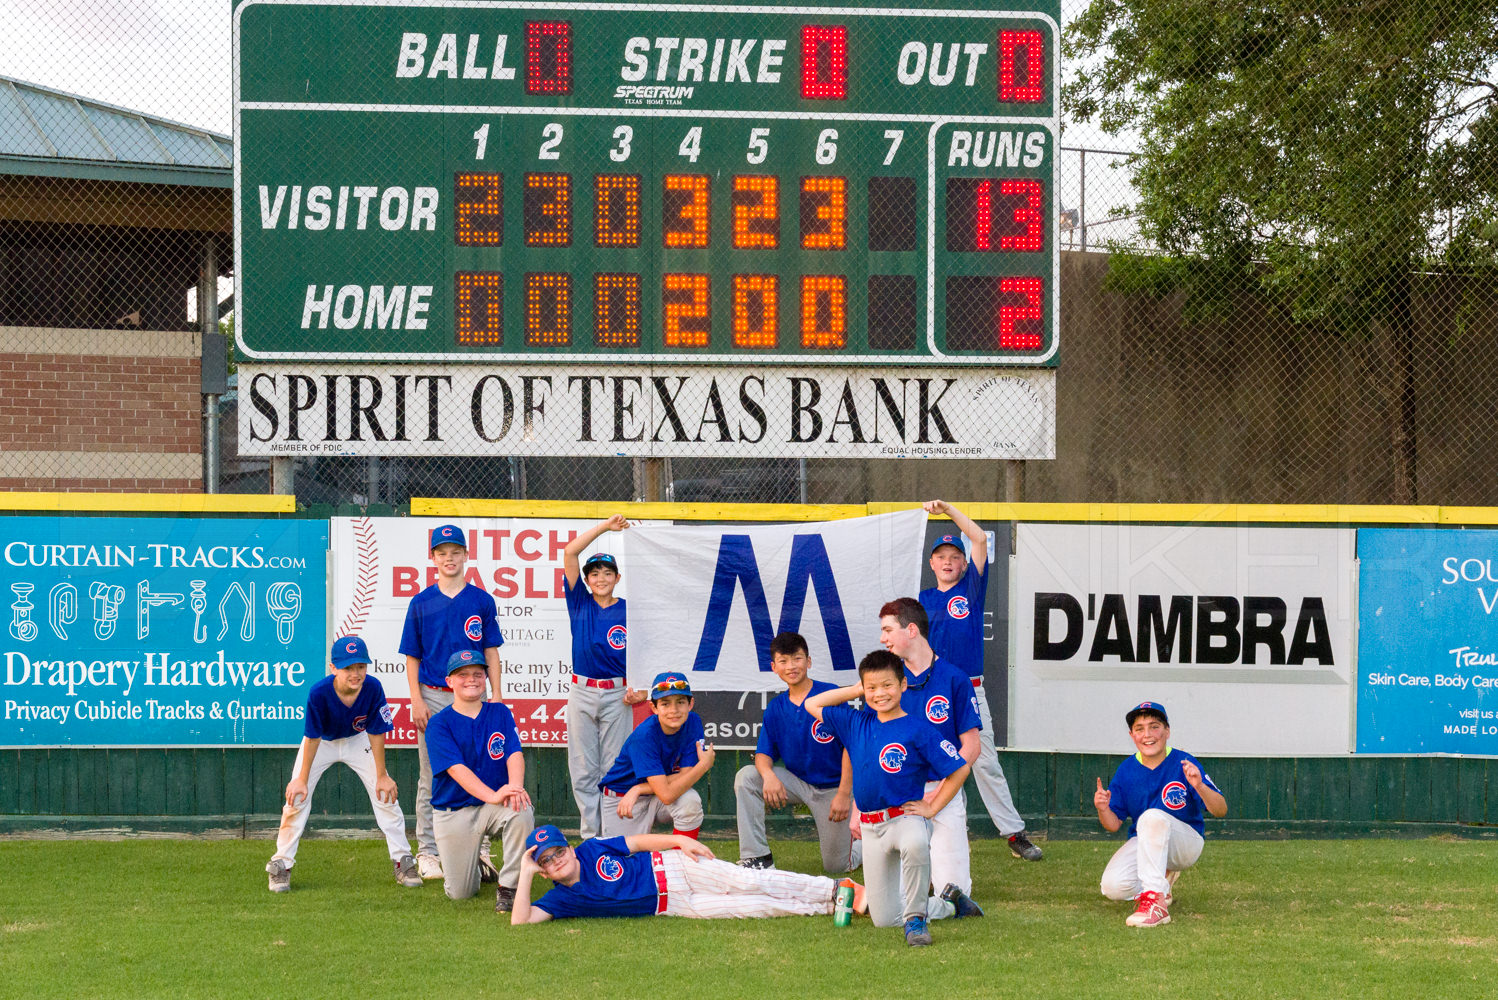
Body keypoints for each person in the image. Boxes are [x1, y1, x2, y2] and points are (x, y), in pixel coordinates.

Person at [806, 651, 980, 947]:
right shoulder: (855, 722)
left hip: (905, 817)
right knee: (884, 918)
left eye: (887, 685)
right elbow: (812, 703)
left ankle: (916, 920)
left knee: (915, 843)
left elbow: (959, 767)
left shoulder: (919, 728)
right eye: (871, 688)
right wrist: (858, 689)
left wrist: (933, 806)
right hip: (872, 827)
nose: (879, 694)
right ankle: (950, 904)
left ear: (903, 685)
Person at [919, 499, 1042, 862]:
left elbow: (980, 541)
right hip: (931, 690)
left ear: (962, 563)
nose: (948, 562)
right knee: (930, 761)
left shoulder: (971, 588)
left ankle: (1014, 833)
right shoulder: (921, 600)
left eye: (954, 557)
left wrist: (949, 510)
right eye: (941, 556)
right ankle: (933, 832)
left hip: (970, 690)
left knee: (985, 762)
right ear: (931, 563)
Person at [266, 635, 421, 893]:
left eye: (360, 666)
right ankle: (281, 864)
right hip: (322, 743)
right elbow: (312, 737)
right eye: (348, 667)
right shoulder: (319, 692)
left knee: (386, 795)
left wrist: (381, 774)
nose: (356, 673)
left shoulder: (372, 687)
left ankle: (403, 860)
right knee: (296, 799)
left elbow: (376, 732)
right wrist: (301, 779)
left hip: (356, 740)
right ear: (333, 668)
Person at [399, 522, 505, 881]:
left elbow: (490, 651)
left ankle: (483, 851)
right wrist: (416, 699)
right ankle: (428, 851)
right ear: (433, 558)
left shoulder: (480, 600)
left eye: (455, 552)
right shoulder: (421, 602)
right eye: (442, 553)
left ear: (465, 555)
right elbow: (412, 655)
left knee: (484, 770)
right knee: (431, 775)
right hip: (433, 694)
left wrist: (498, 695)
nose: (449, 558)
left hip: (476, 697)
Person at [510, 824, 864, 923]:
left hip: (672, 868)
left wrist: (679, 840)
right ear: (542, 871)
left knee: (747, 880)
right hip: (672, 905)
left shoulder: (591, 849)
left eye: (558, 851)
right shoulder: (560, 898)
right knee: (751, 907)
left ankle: (834, 887)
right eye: (546, 861)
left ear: (569, 848)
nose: (556, 861)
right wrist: (525, 873)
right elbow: (520, 921)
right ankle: (830, 907)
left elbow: (637, 842)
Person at [876, 597, 982, 922]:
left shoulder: (954, 678)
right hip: (900, 795)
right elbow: (868, 744)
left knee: (954, 890)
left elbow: (972, 747)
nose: (883, 639)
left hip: (944, 791)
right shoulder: (885, 682)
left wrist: (939, 797)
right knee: (894, 898)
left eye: (888, 630)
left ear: (911, 630)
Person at [733, 631, 860, 874]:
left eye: (797, 659)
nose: (791, 666)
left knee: (836, 866)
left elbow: (850, 747)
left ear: (808, 661)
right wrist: (769, 776)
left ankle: (866, 844)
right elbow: (763, 754)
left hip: (833, 789)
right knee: (747, 777)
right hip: (797, 783)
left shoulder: (829, 694)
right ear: (774, 667)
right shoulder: (776, 707)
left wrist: (844, 794)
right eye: (784, 661)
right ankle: (757, 857)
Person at [1094, 701, 1228, 928]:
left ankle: (1156, 904)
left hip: (1185, 843)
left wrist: (1200, 787)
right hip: (1147, 841)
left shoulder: (1183, 762)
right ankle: (1161, 882)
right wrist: (1102, 809)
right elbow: (1113, 824)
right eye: (1140, 729)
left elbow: (1220, 809)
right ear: (1132, 735)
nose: (1147, 734)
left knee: (1152, 817)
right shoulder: (1126, 770)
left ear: (1167, 731)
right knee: (1112, 887)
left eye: (1154, 726)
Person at [425, 649, 536, 911]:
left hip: (492, 808)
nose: (471, 679)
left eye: (477, 673)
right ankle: (476, 863)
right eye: (462, 675)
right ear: (449, 681)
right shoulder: (439, 723)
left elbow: (514, 754)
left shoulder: (499, 713)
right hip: (454, 810)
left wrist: (515, 788)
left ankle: (508, 888)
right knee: (461, 894)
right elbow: (456, 769)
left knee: (521, 810)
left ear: (485, 677)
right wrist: (493, 795)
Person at [562, 515, 648, 839]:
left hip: (617, 694)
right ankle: (590, 838)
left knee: (613, 767)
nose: (600, 578)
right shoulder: (579, 602)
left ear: (617, 576)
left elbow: (646, 650)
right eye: (594, 573)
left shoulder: (629, 609)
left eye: (607, 572)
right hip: (582, 690)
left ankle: (612, 836)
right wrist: (604, 528)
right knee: (583, 769)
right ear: (586, 579)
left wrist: (641, 687)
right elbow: (570, 553)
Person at [598, 671, 714, 838]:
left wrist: (639, 788)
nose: (674, 710)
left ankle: (681, 859)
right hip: (624, 798)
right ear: (653, 708)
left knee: (690, 801)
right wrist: (703, 765)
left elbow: (685, 775)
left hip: (649, 793)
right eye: (665, 704)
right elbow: (667, 795)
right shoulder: (645, 735)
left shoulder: (693, 721)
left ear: (690, 704)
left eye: (680, 702)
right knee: (626, 859)